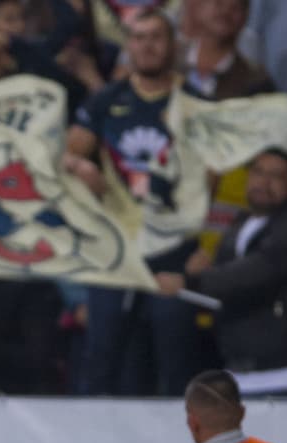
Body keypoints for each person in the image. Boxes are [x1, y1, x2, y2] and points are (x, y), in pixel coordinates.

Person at [64, 9, 209, 397]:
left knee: (175, 360)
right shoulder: (106, 101)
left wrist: (209, 249)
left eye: (156, 37)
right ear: (128, 45)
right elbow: (66, 155)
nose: (148, 46)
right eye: (139, 37)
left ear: (174, 45)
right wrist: (81, 165)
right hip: (117, 252)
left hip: (174, 252)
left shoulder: (195, 103)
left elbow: (220, 183)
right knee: (102, 360)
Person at [155, 150, 287, 395]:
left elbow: (256, 273)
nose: (263, 182)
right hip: (241, 372)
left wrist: (188, 281)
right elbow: (226, 286)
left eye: (276, 176)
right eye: (258, 173)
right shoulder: (241, 223)